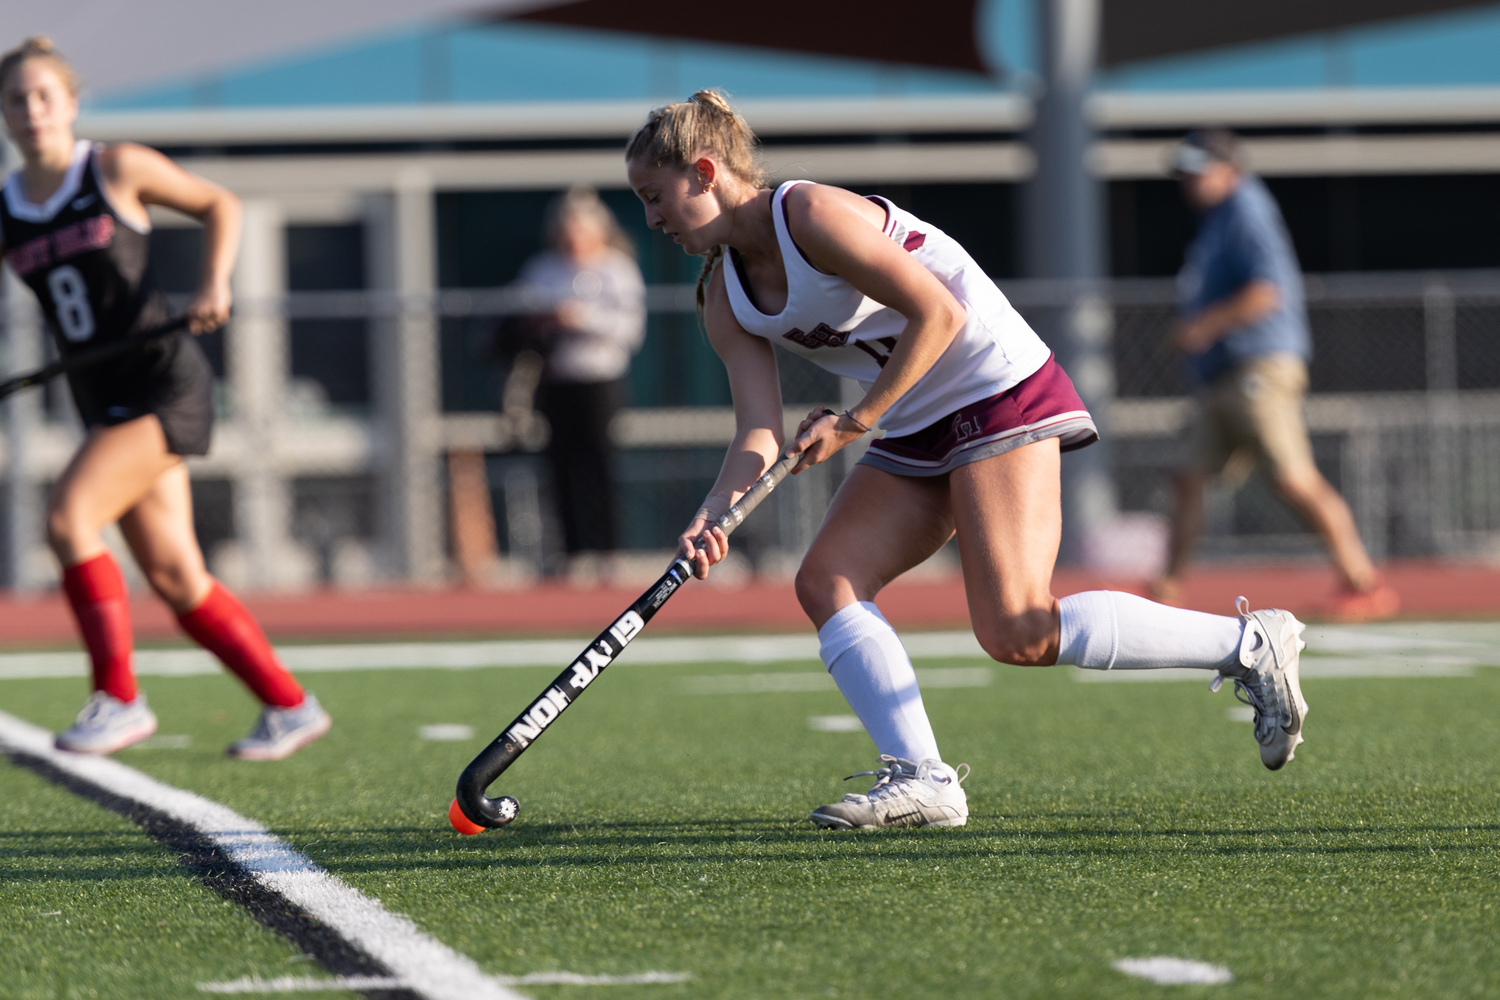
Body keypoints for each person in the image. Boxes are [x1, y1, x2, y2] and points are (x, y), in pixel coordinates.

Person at [625, 91, 1311, 831]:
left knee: (1019, 628)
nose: (651, 218)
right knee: (828, 581)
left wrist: (858, 419)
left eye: (654, 197)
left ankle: (1251, 644)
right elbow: (756, 432)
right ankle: (924, 780)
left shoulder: (810, 215)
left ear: (704, 172)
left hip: (994, 388)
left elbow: (940, 314)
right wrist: (712, 515)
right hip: (913, 418)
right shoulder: (724, 297)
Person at [0, 37, 330, 758]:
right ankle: (289, 704)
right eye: (16, 100)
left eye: (43, 96)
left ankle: (117, 698)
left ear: (70, 103)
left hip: (163, 384)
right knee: (179, 577)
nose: (31, 111)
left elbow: (220, 202)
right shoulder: (8, 205)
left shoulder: (114, 166)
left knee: (68, 516)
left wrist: (216, 280)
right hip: (101, 396)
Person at [1152, 130, 1399, 622]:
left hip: (1259, 366)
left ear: (1229, 168)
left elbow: (1266, 293)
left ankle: (1364, 584)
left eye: (1198, 170)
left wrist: (1203, 325)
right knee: (1189, 478)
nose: (1190, 182)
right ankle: (1167, 587)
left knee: (1292, 478)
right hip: (1226, 374)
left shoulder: (1247, 209)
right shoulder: (1219, 218)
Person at [514, 186, 645, 575]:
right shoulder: (542, 268)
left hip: (601, 380)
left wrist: (582, 319)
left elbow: (630, 330)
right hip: (556, 378)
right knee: (559, 467)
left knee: (600, 466)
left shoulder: (617, 269)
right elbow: (521, 316)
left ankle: (609, 552)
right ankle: (570, 554)